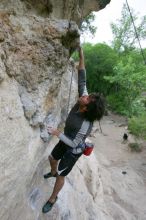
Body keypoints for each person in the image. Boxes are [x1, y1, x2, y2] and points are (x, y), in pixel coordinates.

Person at [42, 46, 105, 213]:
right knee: (51, 158)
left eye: (87, 98)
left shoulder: (85, 125)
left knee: (62, 175)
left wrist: (57, 133)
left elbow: (73, 142)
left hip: (73, 148)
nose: (85, 95)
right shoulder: (82, 101)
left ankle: (52, 198)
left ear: (87, 107)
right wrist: (81, 54)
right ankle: (52, 172)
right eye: (87, 95)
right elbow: (82, 77)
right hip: (66, 138)